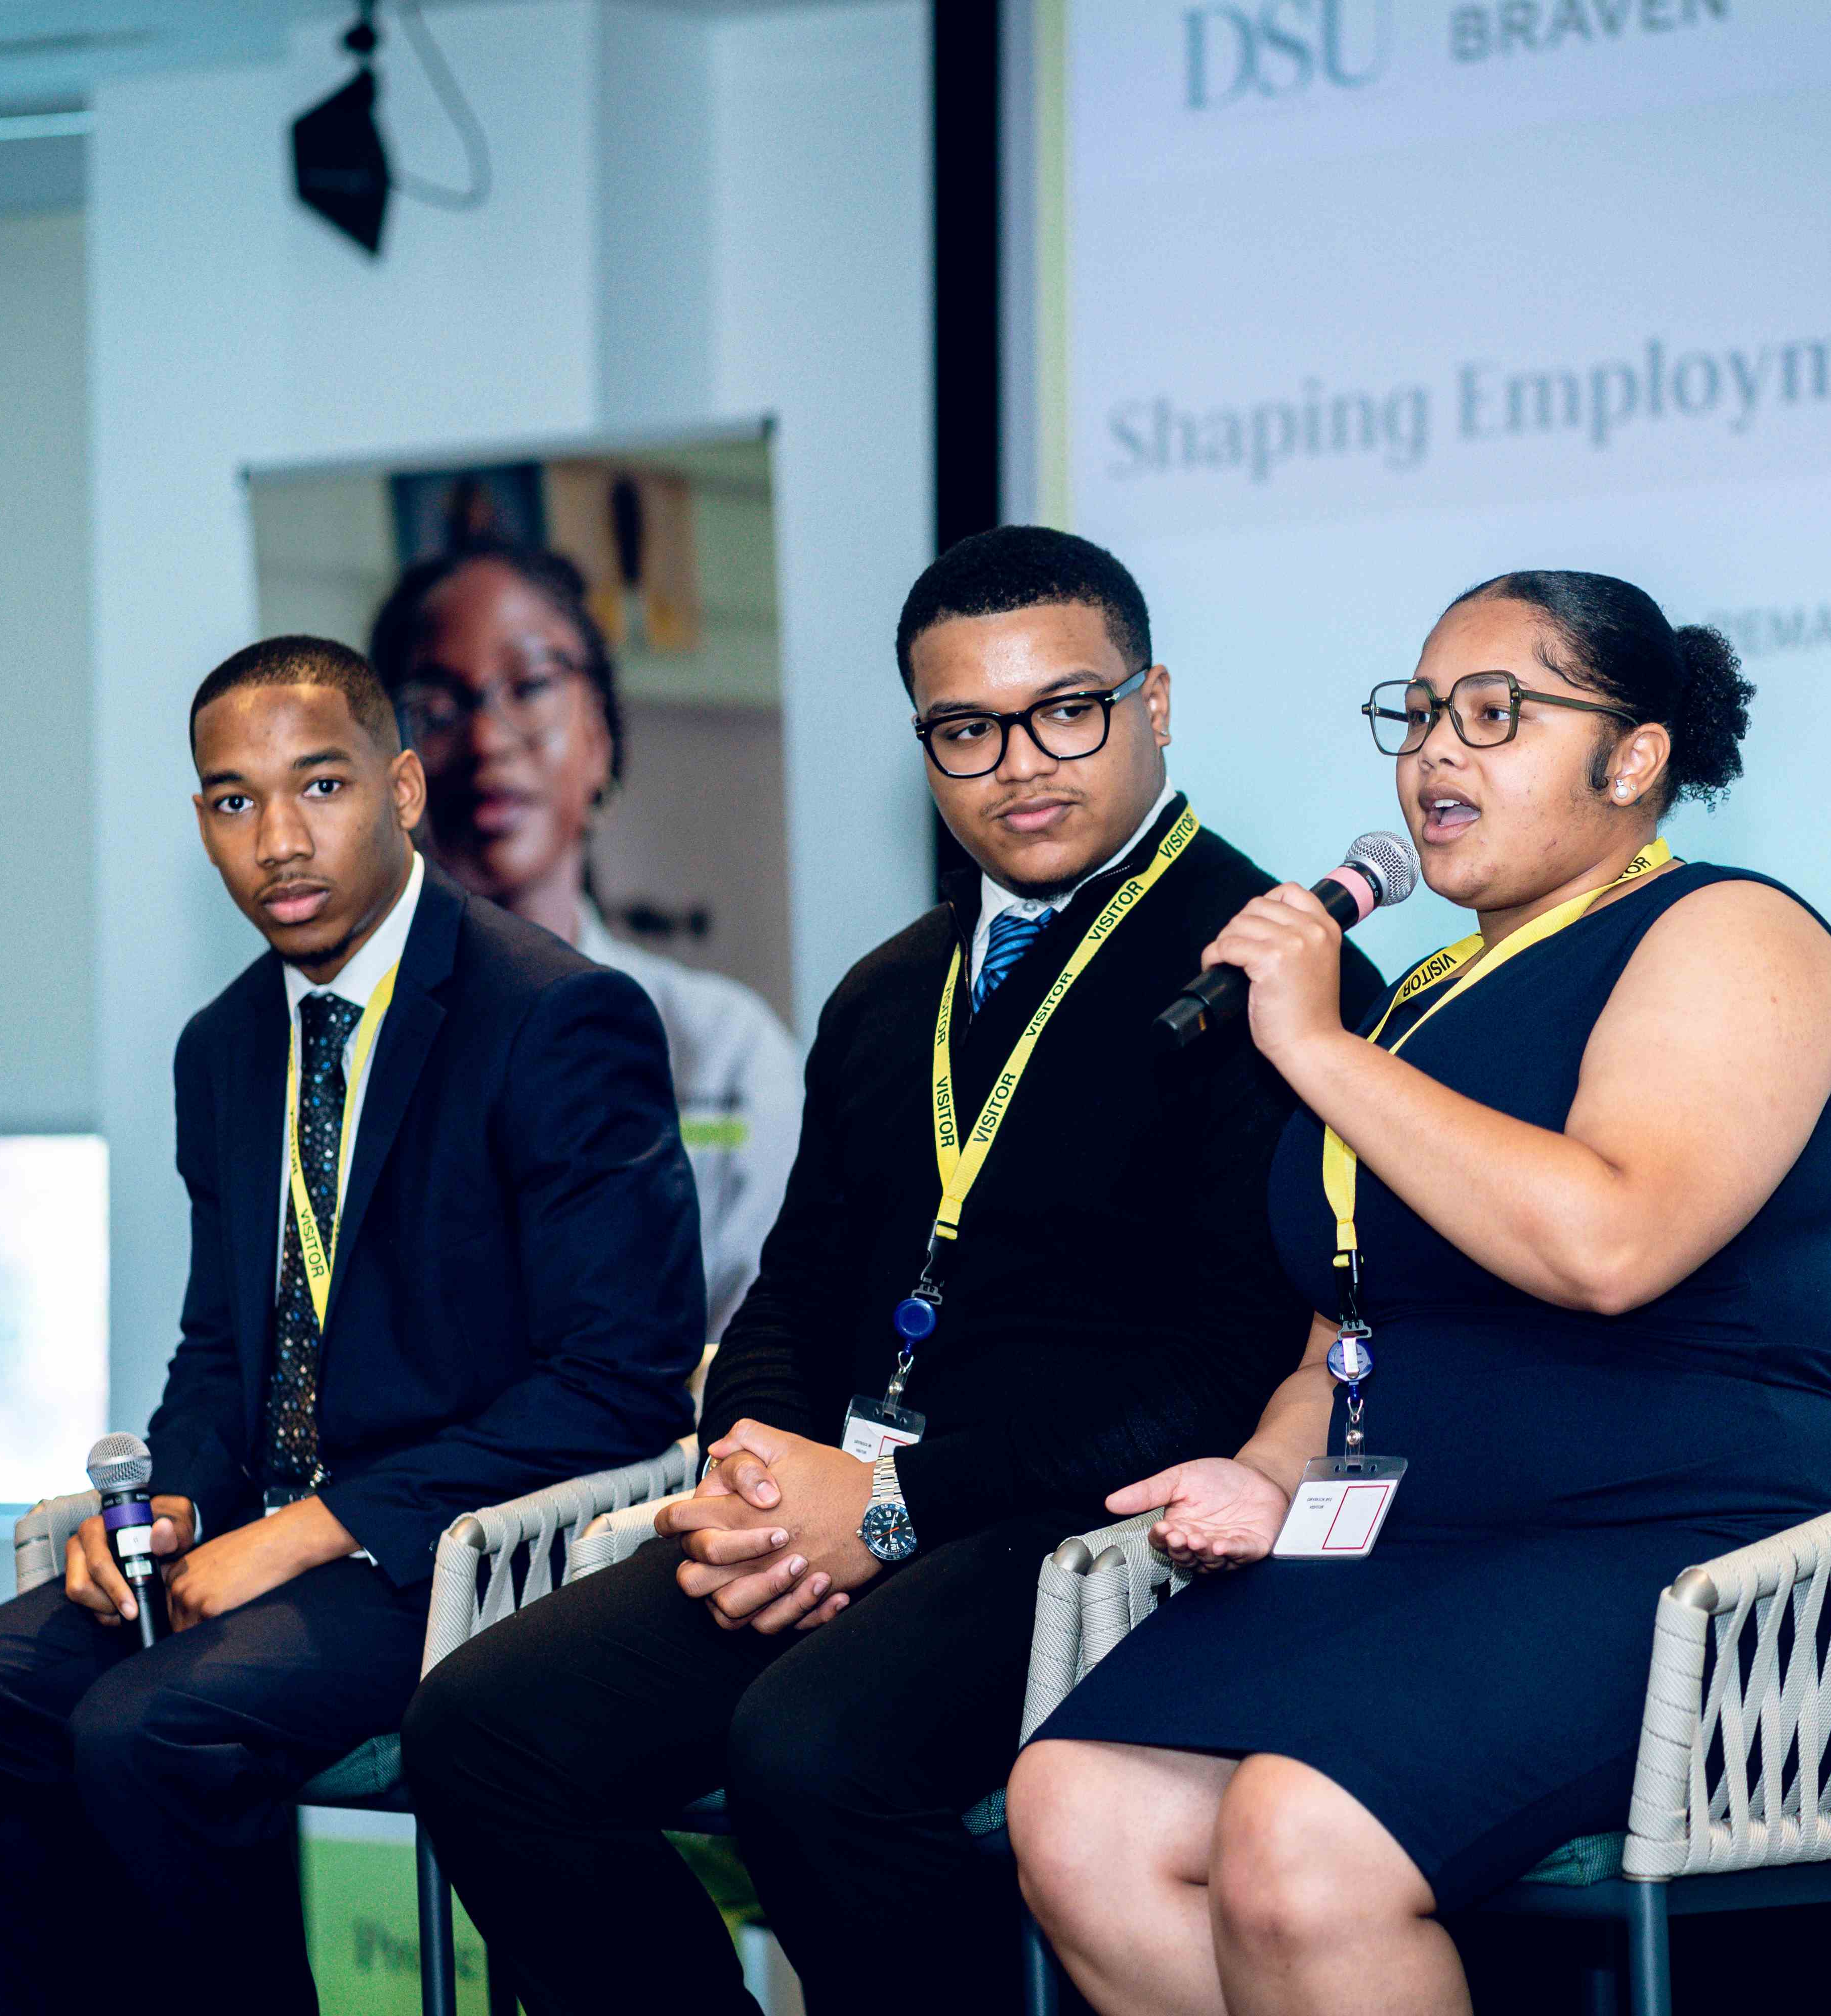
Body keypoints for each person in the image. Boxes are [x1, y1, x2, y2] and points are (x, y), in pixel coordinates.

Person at [398, 526, 1383, 2014]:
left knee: (810, 1755)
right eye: (966, 730)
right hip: (854, 1501)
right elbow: (795, 1286)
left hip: (1084, 1524)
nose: (1021, 763)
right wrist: (762, 1473)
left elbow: (1231, 1362)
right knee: (482, 1728)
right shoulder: (889, 989)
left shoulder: (1273, 973)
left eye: (1069, 709)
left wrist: (891, 1509)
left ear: (1155, 703)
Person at [1007, 571, 1831, 2016]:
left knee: (1301, 1845)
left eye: (1494, 715)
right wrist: (1263, 1470)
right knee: (1080, 1807)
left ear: (1634, 760)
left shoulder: (1734, 935)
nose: (1436, 752)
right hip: (1417, 1532)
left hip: (1686, 1536)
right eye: (1420, 713)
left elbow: (1611, 1243)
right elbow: (1349, 1325)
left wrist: (1316, 1048)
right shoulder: (1428, 990)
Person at [0, 638, 704, 2016]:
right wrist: (180, 1498)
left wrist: (322, 1527)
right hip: (257, 1540)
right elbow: (223, 1345)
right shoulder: (227, 1043)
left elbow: (620, 1383)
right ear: (201, 823)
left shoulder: (555, 1016)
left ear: (409, 789)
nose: (280, 839)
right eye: (234, 802)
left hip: (459, 1551)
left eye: (320, 786)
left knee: (152, 1730)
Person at [372, 537, 801, 1340]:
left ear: (599, 742)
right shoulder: (344, 1054)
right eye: (435, 706)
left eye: (529, 686)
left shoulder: (725, 1051)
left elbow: (764, 1360)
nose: (487, 740)